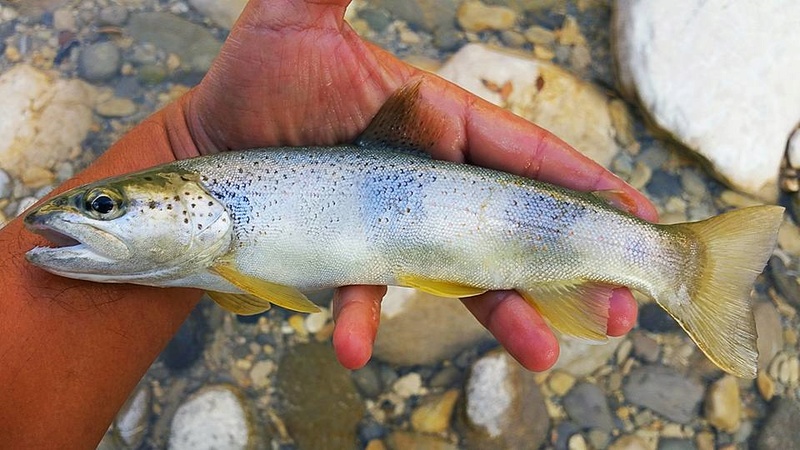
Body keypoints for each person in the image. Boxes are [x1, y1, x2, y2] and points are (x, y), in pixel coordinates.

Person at [0, 0, 657, 447]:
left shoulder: (216, 213)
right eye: (103, 207)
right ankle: (660, 256)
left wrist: (190, 135)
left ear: (192, 202)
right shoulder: (205, 225)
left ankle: (664, 258)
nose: (61, 218)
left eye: (106, 207)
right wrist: (189, 134)